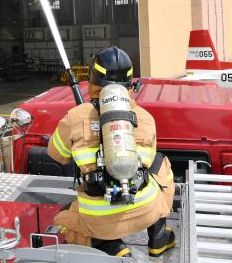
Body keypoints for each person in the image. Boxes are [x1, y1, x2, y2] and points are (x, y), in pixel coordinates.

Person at [47, 47, 176, 258]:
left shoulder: (76, 116)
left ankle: (109, 247)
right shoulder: (145, 117)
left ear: (92, 79)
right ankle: (158, 236)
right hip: (146, 211)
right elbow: (148, 159)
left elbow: (56, 154)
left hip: (99, 220)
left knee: (62, 220)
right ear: (130, 83)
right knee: (161, 163)